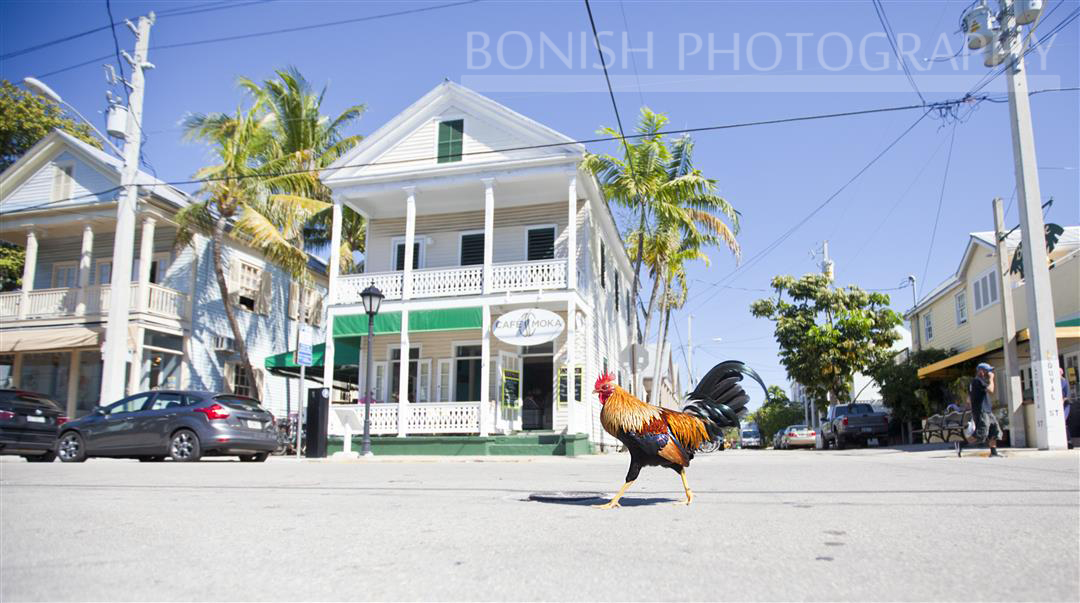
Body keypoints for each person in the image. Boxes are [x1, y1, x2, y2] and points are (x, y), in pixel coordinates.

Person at [960, 362, 1001, 458]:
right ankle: (961, 444)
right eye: (988, 371)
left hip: (986, 410)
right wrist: (991, 379)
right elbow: (991, 390)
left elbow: (968, 399)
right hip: (982, 411)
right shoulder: (978, 381)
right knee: (981, 434)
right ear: (981, 371)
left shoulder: (975, 382)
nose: (990, 373)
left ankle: (994, 452)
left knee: (994, 430)